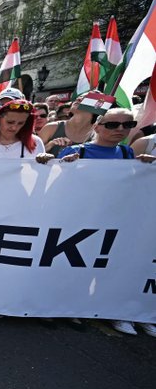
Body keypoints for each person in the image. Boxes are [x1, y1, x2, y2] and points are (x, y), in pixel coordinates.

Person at [56, 107, 156, 337]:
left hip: (113, 219)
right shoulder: (77, 151)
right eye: (112, 124)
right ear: (97, 127)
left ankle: (101, 308)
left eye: (127, 125)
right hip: (79, 219)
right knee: (73, 264)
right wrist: (62, 164)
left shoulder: (127, 154)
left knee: (103, 266)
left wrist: (146, 169)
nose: (120, 129)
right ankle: (66, 306)